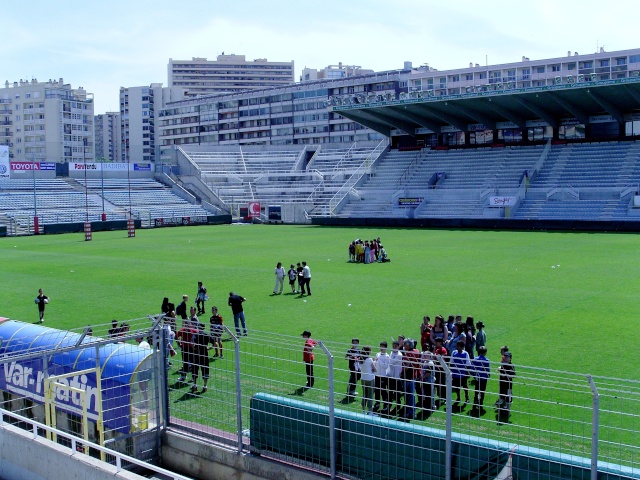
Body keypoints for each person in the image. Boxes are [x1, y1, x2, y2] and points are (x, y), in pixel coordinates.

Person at [400, 338, 420, 420]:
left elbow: (406, 367)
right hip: (413, 376)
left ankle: (410, 412)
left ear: (408, 345)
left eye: (405, 344)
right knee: (411, 395)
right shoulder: (416, 351)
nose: (404, 346)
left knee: (408, 395)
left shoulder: (409, 353)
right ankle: (411, 411)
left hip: (408, 376)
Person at [190, 322, 212, 393]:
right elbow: (215, 343)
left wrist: (194, 349)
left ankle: (195, 385)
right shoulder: (206, 335)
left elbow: (192, 343)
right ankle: (205, 386)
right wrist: (209, 348)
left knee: (195, 369)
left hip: (196, 355)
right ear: (204, 328)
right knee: (205, 370)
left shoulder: (196, 335)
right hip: (204, 355)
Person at [470, 345, 490, 414]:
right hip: (484, 378)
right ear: (485, 352)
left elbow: (472, 368)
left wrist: (474, 375)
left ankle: (475, 402)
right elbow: (487, 370)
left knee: (476, 390)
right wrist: (488, 375)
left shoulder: (475, 359)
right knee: (482, 391)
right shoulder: (486, 360)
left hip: (477, 378)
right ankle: (480, 403)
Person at [385, 341, 403, 415]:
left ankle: (398, 405)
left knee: (396, 392)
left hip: (396, 377)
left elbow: (391, 362)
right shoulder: (392, 353)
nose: (394, 348)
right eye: (393, 346)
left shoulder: (399, 355)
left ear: (398, 347)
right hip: (390, 376)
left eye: (395, 346)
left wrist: (387, 360)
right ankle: (388, 407)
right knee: (390, 392)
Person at [373, 341, 390, 413]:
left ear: (385, 348)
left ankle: (386, 405)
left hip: (383, 376)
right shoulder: (377, 354)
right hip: (376, 375)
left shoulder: (387, 356)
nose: (381, 348)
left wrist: (378, 359)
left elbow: (385, 366)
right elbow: (375, 363)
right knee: (377, 390)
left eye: (383, 347)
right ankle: (377, 403)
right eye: (380, 346)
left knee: (383, 391)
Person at [360, 346, 377, 415]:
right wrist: (375, 361)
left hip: (363, 378)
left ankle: (363, 410)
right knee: (370, 395)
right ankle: (370, 411)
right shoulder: (369, 360)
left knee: (364, 394)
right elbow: (374, 369)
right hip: (370, 379)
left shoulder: (361, 359)